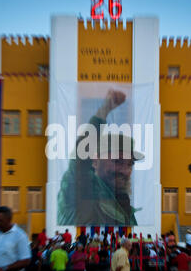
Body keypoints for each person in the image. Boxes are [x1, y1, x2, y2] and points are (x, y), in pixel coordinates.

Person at [57, 89, 144, 226]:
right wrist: (104, 111)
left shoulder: (123, 205)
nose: (124, 170)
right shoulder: (84, 191)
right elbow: (81, 159)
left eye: (129, 164)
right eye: (117, 161)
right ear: (95, 161)